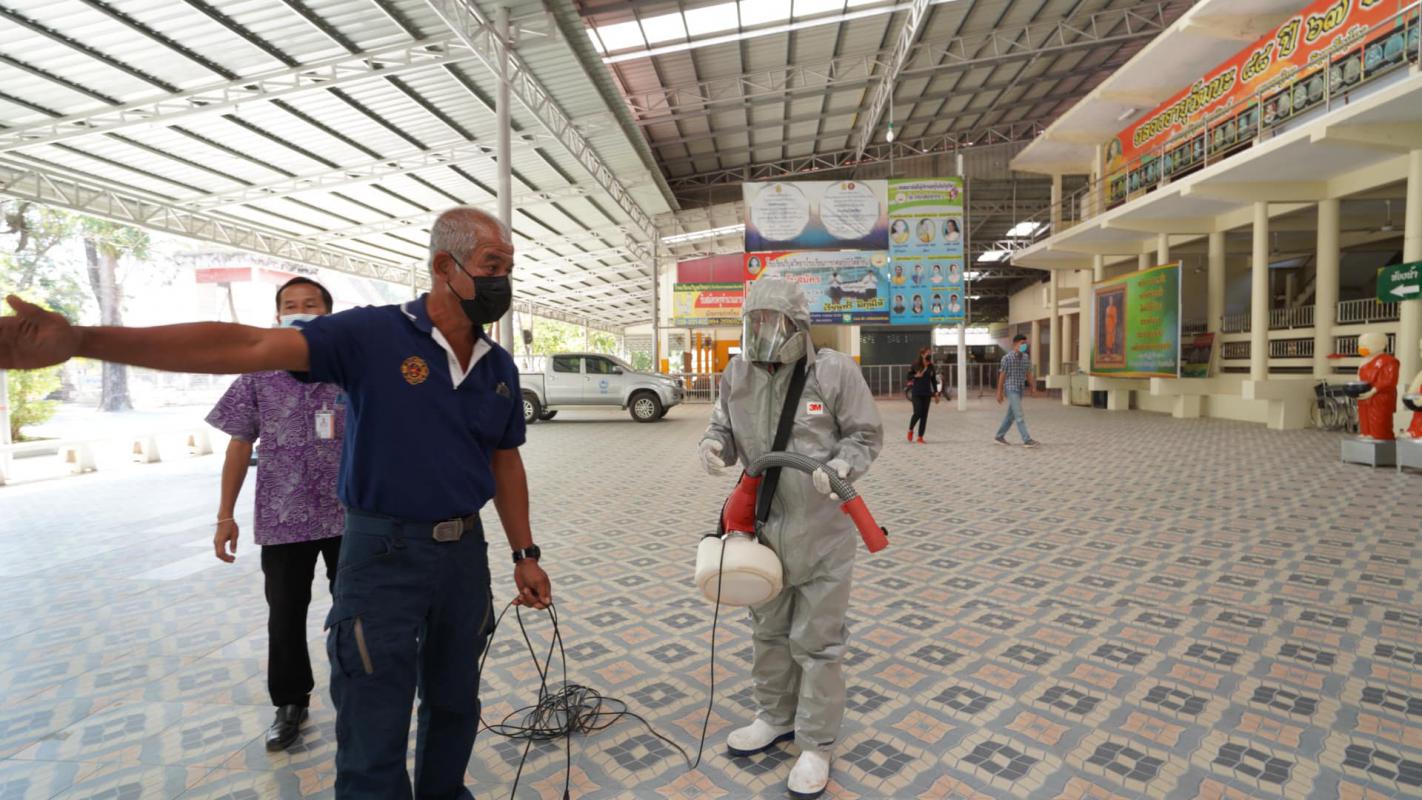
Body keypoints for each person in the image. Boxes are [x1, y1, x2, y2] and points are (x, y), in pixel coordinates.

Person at [0, 207, 553, 799]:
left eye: (508, 268)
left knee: (455, 699)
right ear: (445, 266)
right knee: (373, 709)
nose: (503, 280)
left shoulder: (497, 365)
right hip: (383, 553)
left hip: (463, 555)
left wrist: (525, 552)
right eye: (492, 265)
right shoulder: (373, 334)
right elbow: (248, 342)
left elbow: (504, 459)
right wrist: (84, 340)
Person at [697, 279, 883, 800]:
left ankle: (817, 743)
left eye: (772, 322)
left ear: (798, 326)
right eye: (754, 322)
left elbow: (865, 433)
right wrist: (713, 445)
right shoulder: (737, 374)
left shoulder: (834, 372)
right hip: (764, 530)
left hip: (823, 531)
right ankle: (774, 715)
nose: (762, 333)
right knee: (768, 631)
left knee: (818, 642)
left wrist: (843, 464)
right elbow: (723, 429)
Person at [206, 276, 345, 752]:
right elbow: (239, 443)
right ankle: (289, 703)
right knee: (285, 615)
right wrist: (224, 515)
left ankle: (359, 695)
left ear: (329, 314)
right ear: (277, 315)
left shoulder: (353, 369)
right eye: (290, 305)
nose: (299, 311)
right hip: (283, 517)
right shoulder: (258, 374)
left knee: (356, 612)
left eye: (311, 304)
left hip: (351, 516)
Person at [995, 334, 1039, 447]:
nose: (1024, 346)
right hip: (1011, 388)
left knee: (1010, 416)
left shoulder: (1025, 357)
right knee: (1019, 415)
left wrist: (1033, 387)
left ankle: (999, 436)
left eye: (1025, 344)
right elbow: (1002, 375)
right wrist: (999, 392)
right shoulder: (1007, 358)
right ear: (1015, 344)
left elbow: (1028, 373)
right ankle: (1027, 440)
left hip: (1020, 389)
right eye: (1022, 343)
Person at [905, 346, 939, 444]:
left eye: (930, 353)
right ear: (922, 354)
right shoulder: (916, 364)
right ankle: (910, 429)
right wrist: (916, 375)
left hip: (927, 393)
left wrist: (936, 392)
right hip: (916, 393)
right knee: (918, 412)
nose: (929, 355)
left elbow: (933, 380)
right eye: (927, 353)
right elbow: (908, 376)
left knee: (924, 415)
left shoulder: (931, 366)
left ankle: (920, 437)